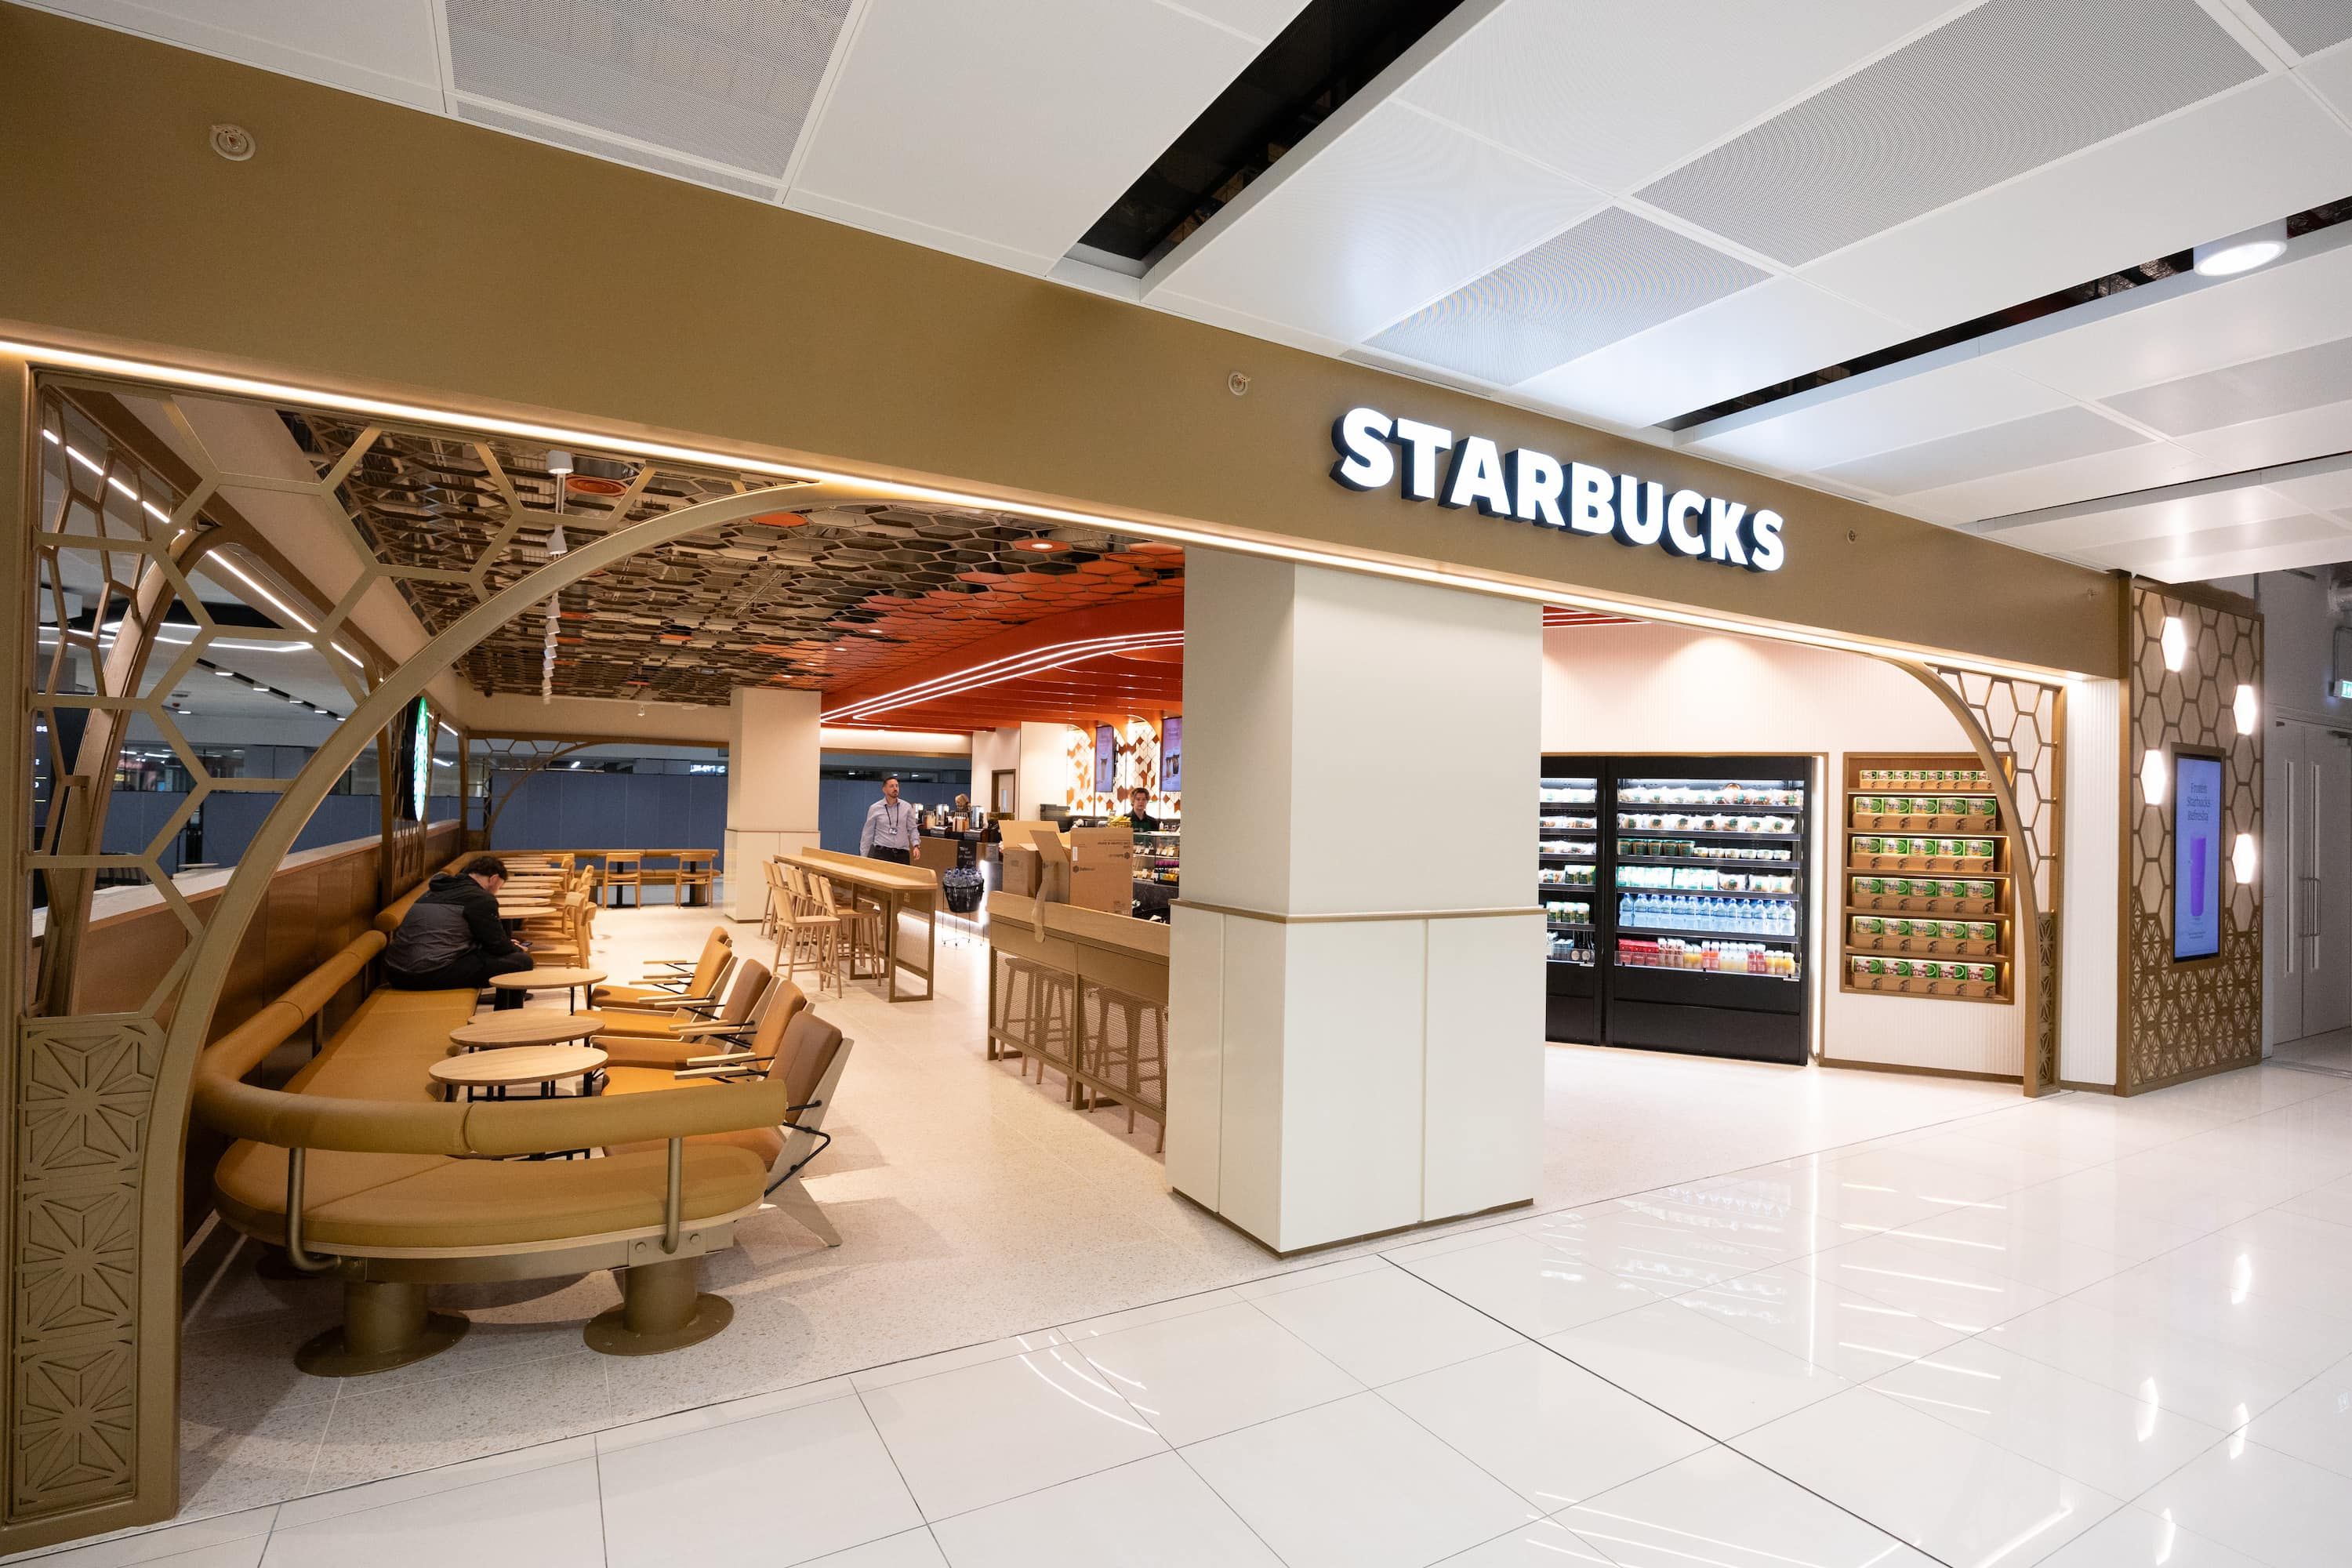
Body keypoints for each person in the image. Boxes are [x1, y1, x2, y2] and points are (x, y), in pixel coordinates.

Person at [384, 855, 535, 1008]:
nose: (496, 892)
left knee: (503, 957)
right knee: (521, 962)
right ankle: (505, 1020)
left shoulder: (432, 892)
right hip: (428, 973)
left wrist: (506, 944)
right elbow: (496, 946)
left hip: (396, 973)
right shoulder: (480, 899)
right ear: (494, 879)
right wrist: (515, 948)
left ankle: (505, 1003)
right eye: (499, 887)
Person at [860, 775, 920, 863]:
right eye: (891, 786)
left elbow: (913, 828)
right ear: (884, 789)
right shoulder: (875, 808)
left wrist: (916, 845)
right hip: (882, 853)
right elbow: (867, 834)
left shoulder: (907, 807)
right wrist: (864, 857)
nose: (895, 789)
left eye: (897, 786)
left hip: (902, 854)